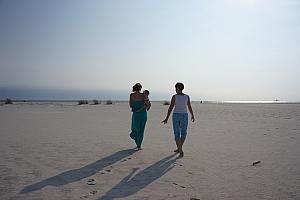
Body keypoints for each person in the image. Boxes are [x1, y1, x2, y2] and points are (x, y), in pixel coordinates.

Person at [162, 82, 195, 157]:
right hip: (184, 115)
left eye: (175, 88)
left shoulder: (174, 97)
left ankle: (180, 149)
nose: (175, 90)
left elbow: (171, 107)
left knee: (177, 133)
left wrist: (167, 118)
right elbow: (189, 106)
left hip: (176, 115)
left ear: (177, 88)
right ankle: (179, 148)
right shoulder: (187, 96)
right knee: (183, 133)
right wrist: (192, 115)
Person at [129, 83, 151, 150]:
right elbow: (148, 106)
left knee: (135, 127)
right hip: (143, 114)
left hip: (135, 114)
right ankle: (139, 145)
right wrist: (144, 104)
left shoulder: (131, 95)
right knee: (141, 129)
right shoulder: (143, 95)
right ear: (140, 88)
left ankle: (134, 136)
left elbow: (130, 105)